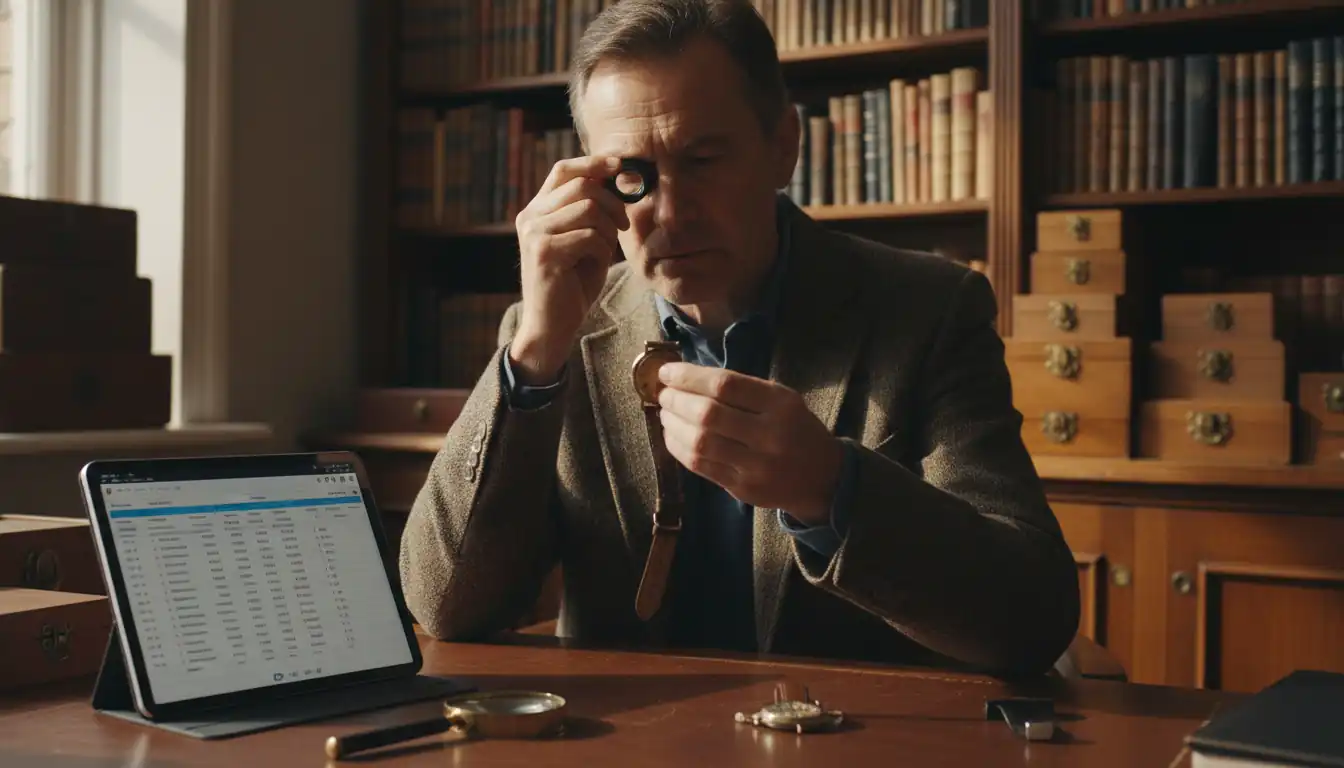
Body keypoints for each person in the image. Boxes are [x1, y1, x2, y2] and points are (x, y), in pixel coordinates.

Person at [399, 0, 1080, 678]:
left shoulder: (928, 310)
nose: (670, 213)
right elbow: (447, 606)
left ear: (783, 146)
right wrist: (535, 356)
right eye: (632, 177)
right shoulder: (551, 334)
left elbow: (1031, 617)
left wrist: (831, 489)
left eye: (702, 160)